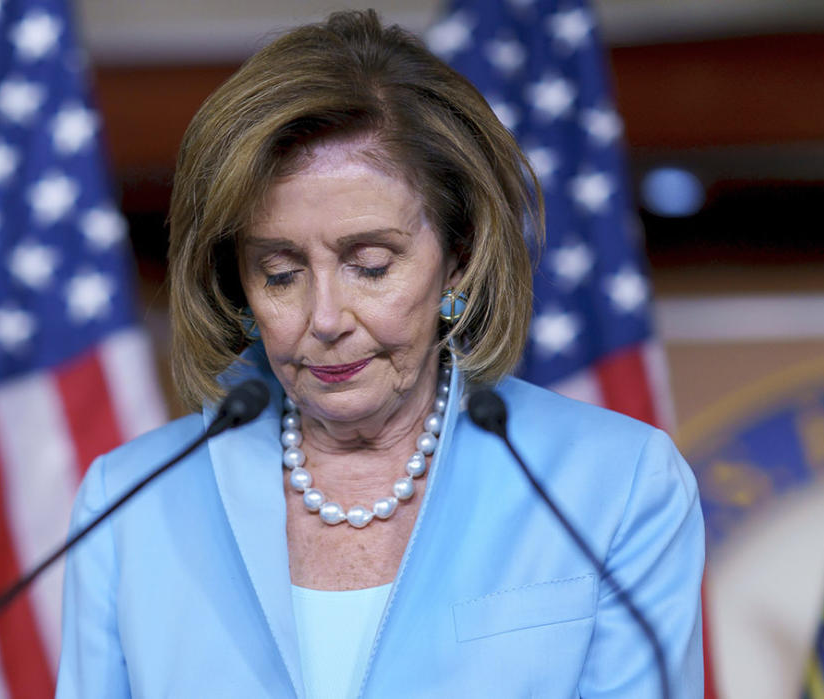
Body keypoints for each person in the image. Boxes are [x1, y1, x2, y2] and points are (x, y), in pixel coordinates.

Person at [57, 9, 703, 698]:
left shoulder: (616, 484)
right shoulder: (129, 504)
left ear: (457, 258)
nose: (325, 318)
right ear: (236, 283)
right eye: (279, 272)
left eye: (370, 264)